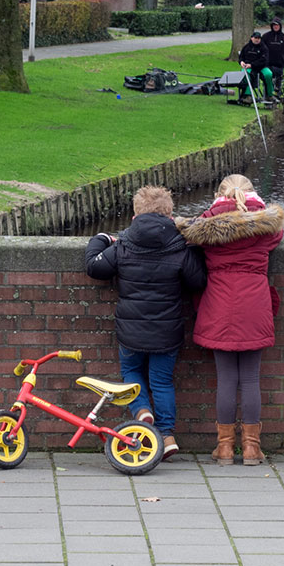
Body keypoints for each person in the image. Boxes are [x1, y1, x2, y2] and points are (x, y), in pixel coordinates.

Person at [85, 185, 207, 461]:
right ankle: (167, 435)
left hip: (131, 330)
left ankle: (141, 411)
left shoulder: (124, 243)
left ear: (135, 214)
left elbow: (94, 266)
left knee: (131, 372)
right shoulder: (179, 246)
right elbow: (198, 280)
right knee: (162, 381)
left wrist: (103, 237)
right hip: (167, 330)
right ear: (170, 213)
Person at [176, 174, 284, 465]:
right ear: (252, 195)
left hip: (219, 305)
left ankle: (224, 448)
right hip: (254, 305)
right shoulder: (266, 226)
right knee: (250, 378)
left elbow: (192, 234)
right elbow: (278, 235)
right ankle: (251, 448)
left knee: (226, 379)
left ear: (218, 196)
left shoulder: (206, 228)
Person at [238, 31, 274, 102]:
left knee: (269, 74)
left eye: (258, 38)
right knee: (245, 74)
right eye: (255, 38)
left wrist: (252, 65)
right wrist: (241, 62)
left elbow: (264, 60)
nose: (257, 39)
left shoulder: (264, 48)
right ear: (252, 38)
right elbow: (241, 57)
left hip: (261, 67)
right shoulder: (246, 47)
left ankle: (270, 95)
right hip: (248, 67)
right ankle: (248, 95)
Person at [261, 18, 284, 94]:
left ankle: (277, 96)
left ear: (280, 26)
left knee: (278, 85)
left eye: (277, 25)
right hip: (267, 65)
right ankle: (268, 96)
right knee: (267, 81)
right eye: (274, 25)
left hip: (279, 66)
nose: (275, 27)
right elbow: (261, 48)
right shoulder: (265, 36)